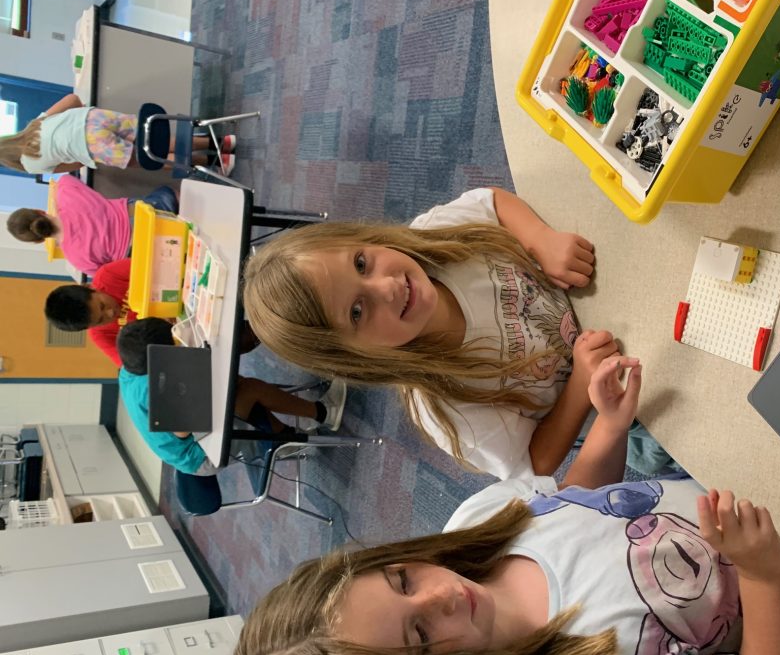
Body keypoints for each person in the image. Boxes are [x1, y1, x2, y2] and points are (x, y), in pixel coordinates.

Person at [229, 355, 780, 655]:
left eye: (403, 580)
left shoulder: (470, 531)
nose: (442, 596)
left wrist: (609, 429)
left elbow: (573, 505)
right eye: (421, 638)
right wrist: (763, 574)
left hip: (723, 497)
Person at [243, 186, 675, 479]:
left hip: (606, 297)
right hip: (627, 407)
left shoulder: (433, 235)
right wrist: (580, 386)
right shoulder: (450, 411)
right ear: (355, 358)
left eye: (361, 263)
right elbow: (535, 461)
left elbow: (491, 201)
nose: (387, 287)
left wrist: (540, 239)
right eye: (357, 311)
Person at [116, 318, 346, 475]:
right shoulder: (152, 388)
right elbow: (182, 430)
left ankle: (284, 439)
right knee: (248, 390)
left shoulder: (131, 368)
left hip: (193, 438)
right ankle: (325, 413)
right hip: (200, 454)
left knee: (232, 383)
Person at [0, 93, 235, 175]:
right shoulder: (34, 125)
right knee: (152, 139)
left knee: (150, 156)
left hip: (92, 146)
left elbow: (76, 165)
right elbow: (72, 99)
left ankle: (215, 161)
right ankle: (220, 142)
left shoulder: (31, 166)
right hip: (92, 118)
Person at [7, 175, 178, 276]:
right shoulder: (67, 195)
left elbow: (108, 273)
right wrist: (55, 202)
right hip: (154, 215)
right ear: (39, 211)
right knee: (167, 192)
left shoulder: (76, 260)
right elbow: (64, 179)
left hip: (151, 253)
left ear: (38, 240)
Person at [45, 258, 135, 365]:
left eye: (102, 305)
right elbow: (131, 366)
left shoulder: (109, 275)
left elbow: (150, 267)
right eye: (101, 320)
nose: (111, 313)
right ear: (90, 326)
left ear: (90, 288)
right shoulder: (101, 335)